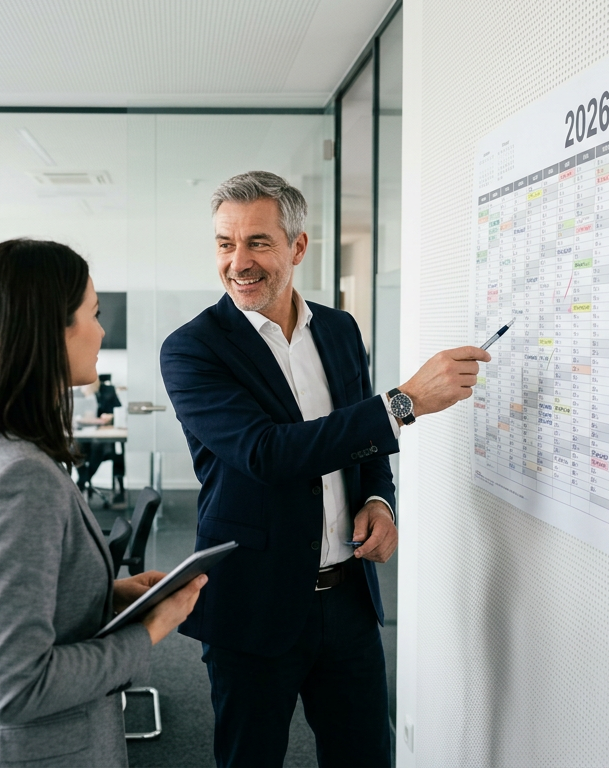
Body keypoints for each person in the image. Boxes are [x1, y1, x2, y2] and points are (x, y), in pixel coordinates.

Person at [160, 171, 491, 767]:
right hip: (254, 607)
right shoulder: (193, 349)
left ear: (298, 247)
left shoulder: (338, 330)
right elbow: (268, 453)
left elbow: (362, 449)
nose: (239, 262)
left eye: (258, 242)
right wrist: (403, 402)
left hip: (348, 602)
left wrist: (380, 501)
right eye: (224, 244)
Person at [0, 238, 206, 768]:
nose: (101, 332)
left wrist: (106, 593)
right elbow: (17, 686)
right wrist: (150, 630)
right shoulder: (19, 478)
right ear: (50, 330)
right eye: (93, 315)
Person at [75, 373, 125, 503]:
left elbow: (118, 410)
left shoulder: (107, 390)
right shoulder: (77, 393)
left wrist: (111, 416)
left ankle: (82, 481)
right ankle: (85, 480)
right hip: (83, 435)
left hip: (102, 435)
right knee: (73, 447)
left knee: (99, 445)